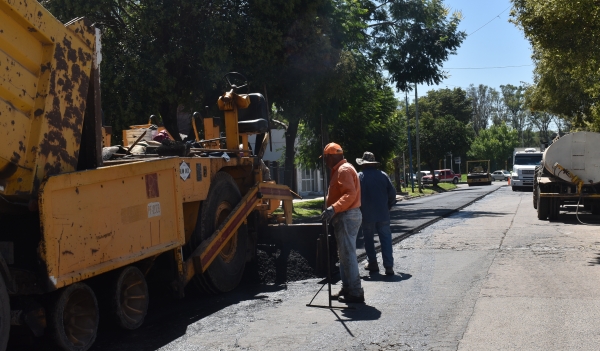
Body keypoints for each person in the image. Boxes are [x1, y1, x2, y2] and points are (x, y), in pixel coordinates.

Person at [320, 142, 364, 303]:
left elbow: (349, 195)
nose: (325, 162)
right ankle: (347, 288)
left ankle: (355, 292)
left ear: (331, 156)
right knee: (344, 255)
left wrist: (333, 208)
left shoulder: (343, 170)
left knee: (347, 255)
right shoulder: (341, 169)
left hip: (347, 215)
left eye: (325, 158)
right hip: (344, 215)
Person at [356, 151, 397, 276]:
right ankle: (388, 266)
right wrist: (389, 205)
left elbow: (355, 195)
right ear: (374, 164)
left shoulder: (359, 176)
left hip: (366, 214)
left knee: (368, 239)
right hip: (383, 213)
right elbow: (392, 193)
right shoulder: (383, 175)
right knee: (385, 239)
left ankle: (372, 263)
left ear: (363, 164)